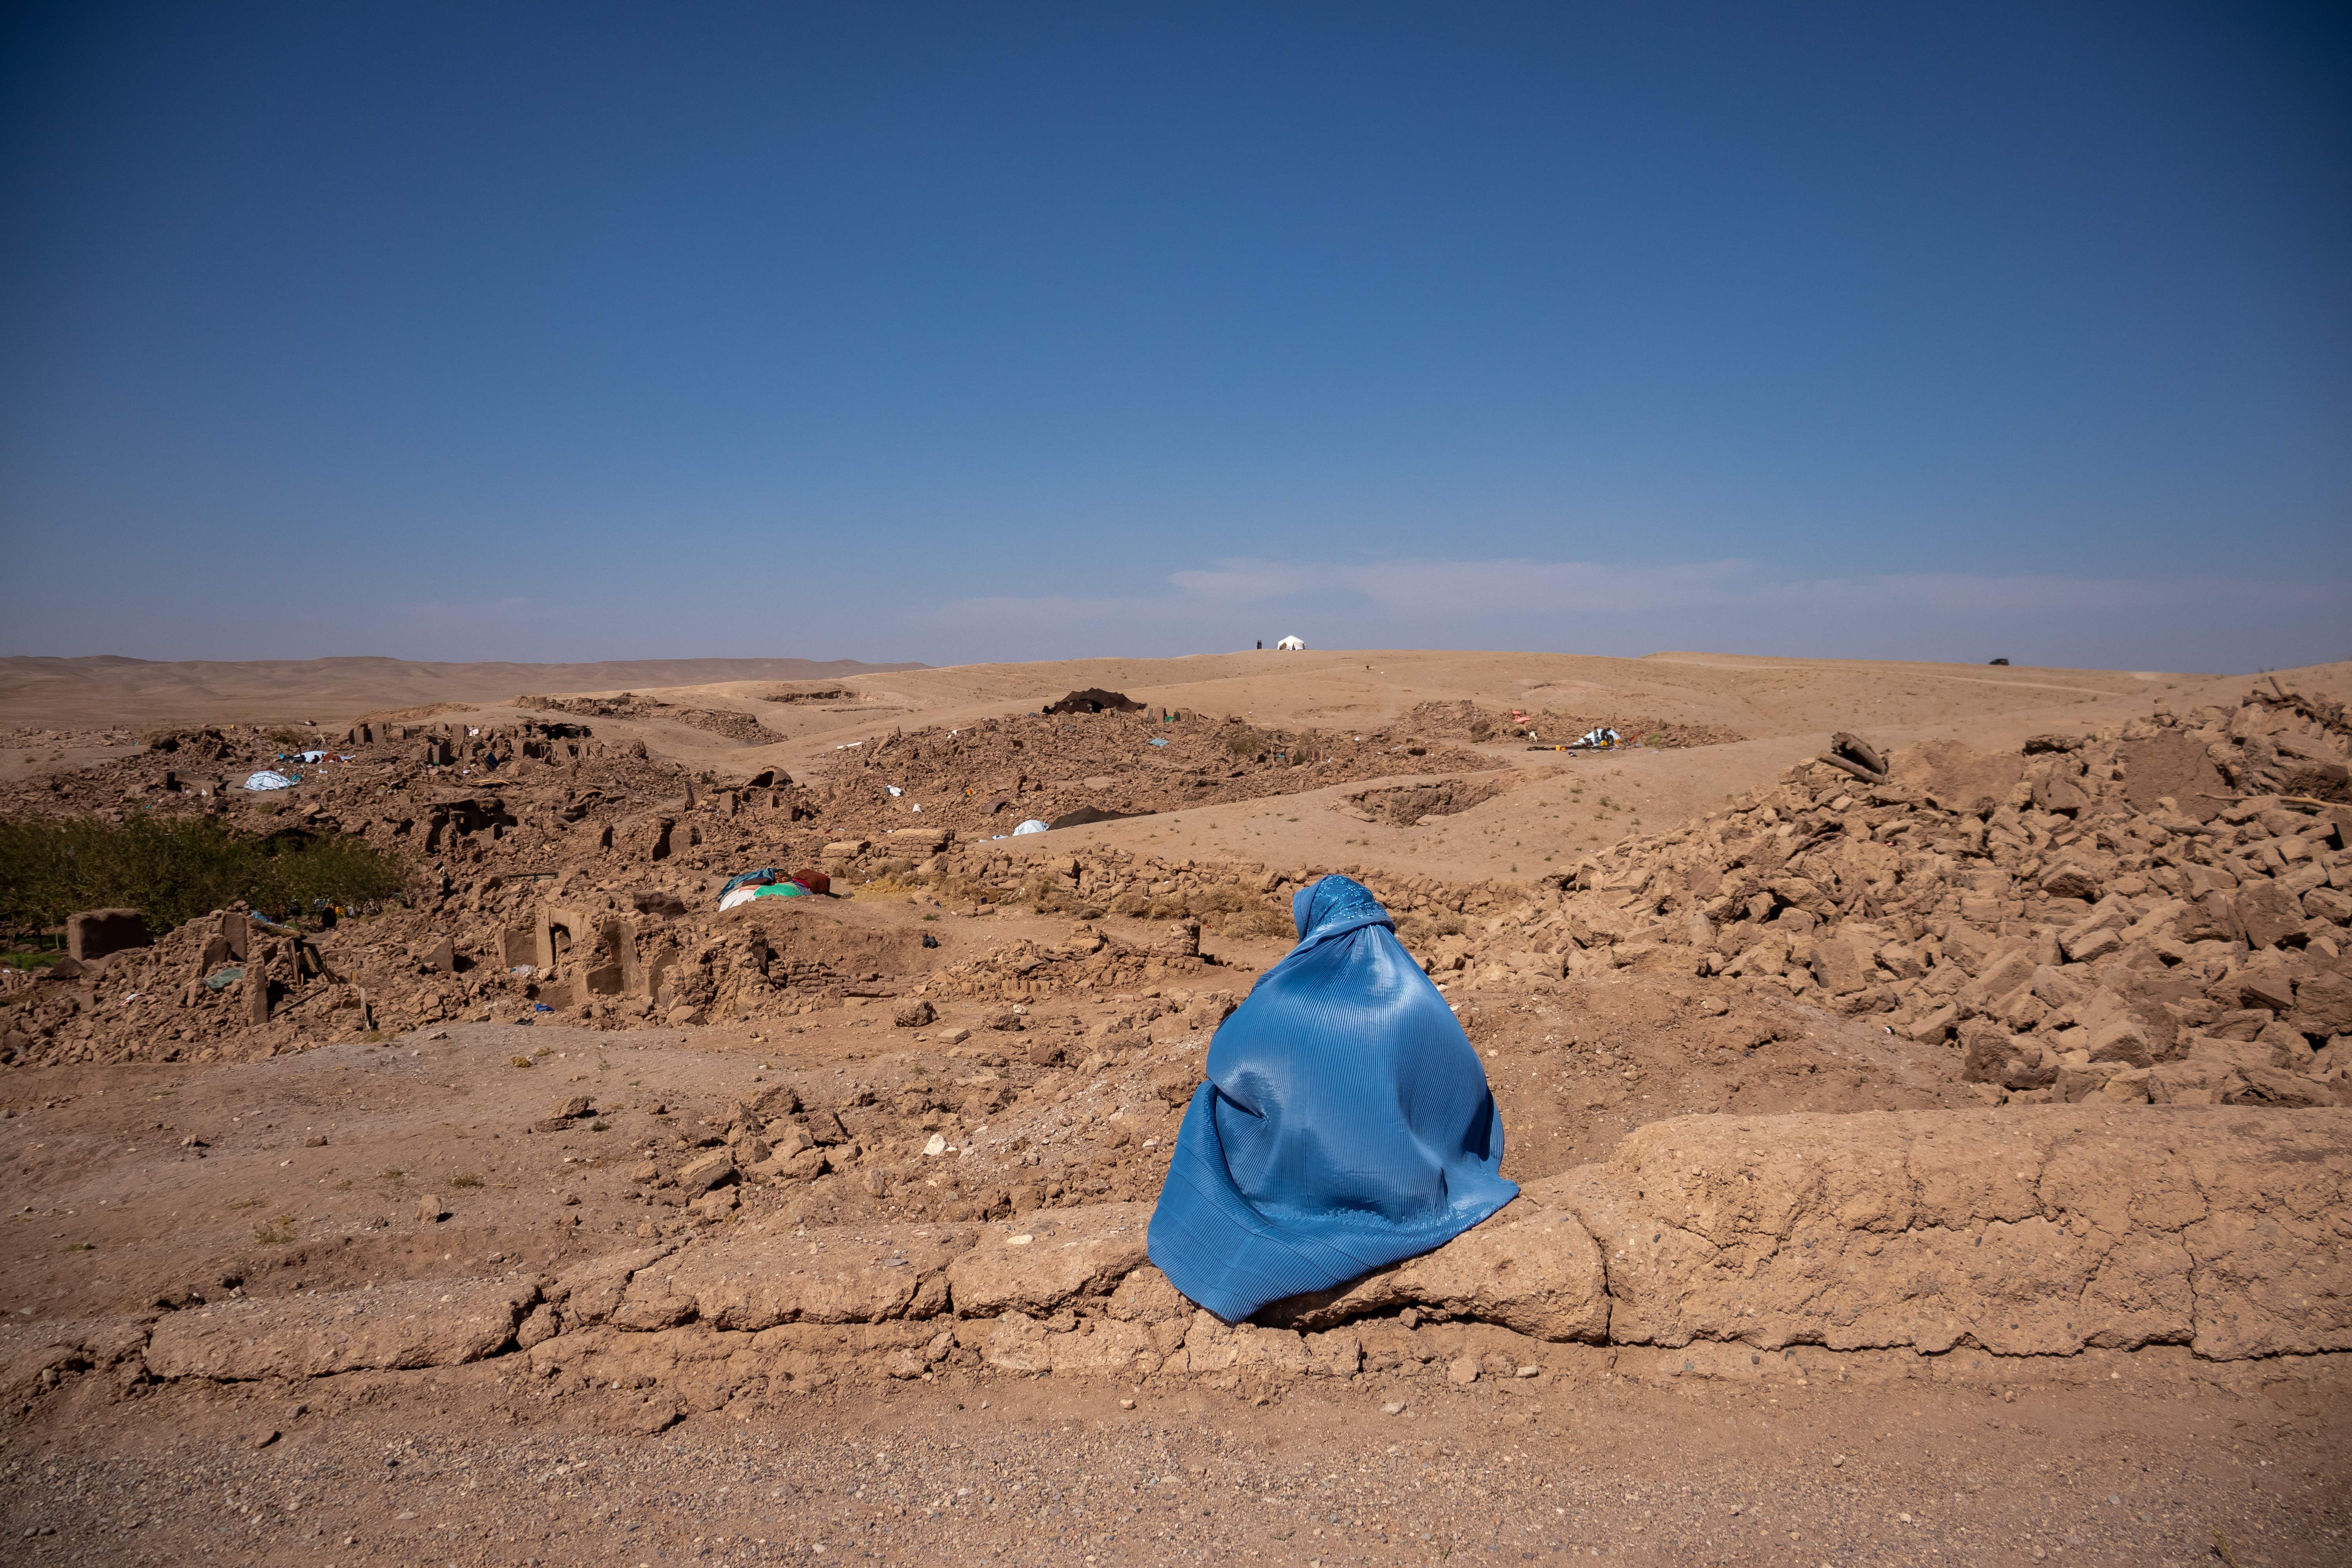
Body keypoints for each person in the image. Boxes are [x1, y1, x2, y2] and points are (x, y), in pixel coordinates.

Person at [1147, 875, 1516, 1322]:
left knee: (1211, 1100)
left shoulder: (1284, 994)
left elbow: (1226, 1056)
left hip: (1315, 1172)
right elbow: (1463, 1084)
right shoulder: (1416, 995)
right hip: (1420, 1174)